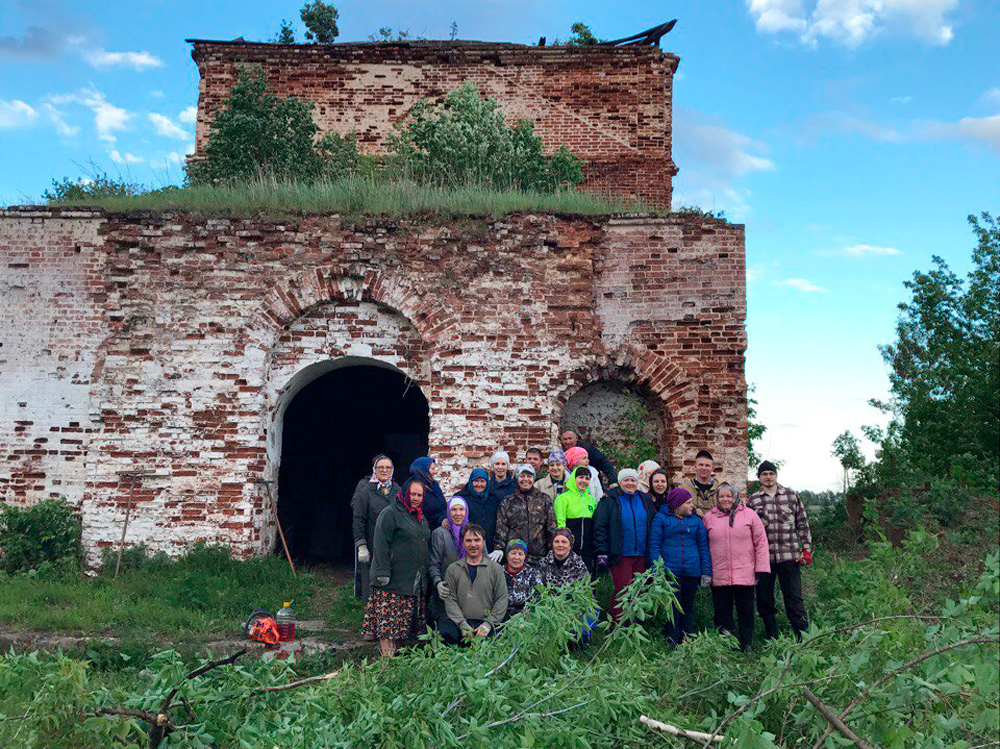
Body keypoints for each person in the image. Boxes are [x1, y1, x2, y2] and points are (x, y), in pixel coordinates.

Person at [362, 480, 431, 657]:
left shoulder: (420, 517)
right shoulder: (391, 513)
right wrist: (383, 572)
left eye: (419, 495)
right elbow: (381, 544)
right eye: (413, 494)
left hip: (410, 583)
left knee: (401, 628)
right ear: (405, 493)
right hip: (391, 581)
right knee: (388, 626)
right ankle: (387, 662)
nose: (415, 498)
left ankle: (396, 666)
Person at [748, 461, 812, 640]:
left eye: (771, 473)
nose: (768, 477)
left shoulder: (791, 496)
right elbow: (748, 530)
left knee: (794, 598)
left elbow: (802, 523)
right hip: (764, 558)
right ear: (759, 477)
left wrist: (806, 549)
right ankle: (772, 636)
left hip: (789, 556)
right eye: (764, 474)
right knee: (764, 599)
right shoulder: (753, 500)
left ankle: (802, 635)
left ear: (776, 475)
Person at [703, 483, 769, 652]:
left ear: (735, 497)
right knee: (722, 612)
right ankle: (726, 645)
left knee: (745, 611)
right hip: (719, 574)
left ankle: (746, 643)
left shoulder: (749, 516)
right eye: (722, 496)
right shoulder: (709, 517)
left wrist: (761, 568)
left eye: (729, 496)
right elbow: (703, 545)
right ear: (717, 499)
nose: (725, 499)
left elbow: (761, 543)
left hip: (745, 573)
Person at [649, 487, 712, 645]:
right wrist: (658, 570)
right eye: (688, 503)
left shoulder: (696, 521)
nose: (692, 505)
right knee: (672, 608)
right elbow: (655, 546)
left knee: (688, 607)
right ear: (677, 505)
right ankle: (672, 641)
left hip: (692, 571)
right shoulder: (661, 519)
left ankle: (686, 639)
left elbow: (704, 547)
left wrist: (706, 572)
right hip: (670, 572)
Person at [593, 468, 656, 622]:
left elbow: (653, 523)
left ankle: (635, 623)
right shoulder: (609, 501)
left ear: (637, 482)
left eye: (633, 480)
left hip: (642, 554)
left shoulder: (644, 499)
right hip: (621, 554)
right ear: (620, 483)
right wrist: (602, 552)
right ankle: (618, 624)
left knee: (638, 591)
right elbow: (600, 527)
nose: (629, 483)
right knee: (622, 591)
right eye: (626, 480)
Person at [441, 523, 508, 644]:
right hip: (460, 623)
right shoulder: (453, 569)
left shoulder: (495, 569)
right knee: (444, 633)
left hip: (487, 623)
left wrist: (488, 624)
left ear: (483, 543)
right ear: (463, 543)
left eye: (477, 540)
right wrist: (462, 624)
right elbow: (450, 599)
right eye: (468, 540)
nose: (473, 544)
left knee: (501, 637)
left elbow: (502, 599)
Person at [351, 454, 400, 603]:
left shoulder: (398, 490)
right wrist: (361, 546)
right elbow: (358, 520)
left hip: (393, 546)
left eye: (388, 467)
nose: (384, 470)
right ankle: (369, 622)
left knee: (392, 587)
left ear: (392, 470)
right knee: (371, 587)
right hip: (372, 546)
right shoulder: (366, 491)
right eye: (381, 467)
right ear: (374, 469)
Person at [539, 528, 597, 642]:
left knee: (579, 631)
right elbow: (540, 591)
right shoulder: (543, 563)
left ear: (570, 545)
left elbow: (585, 594)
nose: (560, 545)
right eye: (557, 542)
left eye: (564, 542)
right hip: (553, 607)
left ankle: (582, 644)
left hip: (576, 606)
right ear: (552, 544)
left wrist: (572, 613)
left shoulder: (578, 564)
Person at [494, 464, 557, 564]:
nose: (526, 479)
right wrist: (499, 548)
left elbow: (551, 527)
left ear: (533, 478)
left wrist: (552, 551)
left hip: (539, 557)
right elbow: (501, 527)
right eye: (522, 476)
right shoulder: (507, 501)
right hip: (515, 557)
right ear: (517, 478)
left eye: (529, 476)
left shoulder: (544, 500)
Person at [428, 496, 468, 629]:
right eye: (454, 510)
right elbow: (434, 564)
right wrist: (438, 582)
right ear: (448, 513)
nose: (458, 514)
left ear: (466, 511)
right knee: (448, 630)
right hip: (446, 592)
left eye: (461, 509)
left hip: (468, 591)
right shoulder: (440, 533)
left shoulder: (472, 532)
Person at [553, 466, 598, 575]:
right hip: (569, 550)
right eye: (581, 477)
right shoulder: (563, 499)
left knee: (587, 582)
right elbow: (560, 524)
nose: (584, 481)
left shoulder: (591, 500)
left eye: (587, 478)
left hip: (587, 551)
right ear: (574, 478)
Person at [455, 467, 501, 552]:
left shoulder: (494, 498)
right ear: (471, 481)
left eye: (482, 481)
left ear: (487, 482)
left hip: (490, 544)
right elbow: (452, 512)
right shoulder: (462, 497)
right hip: (469, 544)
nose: (479, 484)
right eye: (476, 481)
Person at [484, 451, 516, 556]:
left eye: (503, 464)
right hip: (490, 529)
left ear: (508, 466)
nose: (500, 467)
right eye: (497, 464)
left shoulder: (514, 487)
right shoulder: (487, 486)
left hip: (509, 530)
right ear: (493, 466)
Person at [503, 538, 543, 618]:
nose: (516, 557)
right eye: (513, 553)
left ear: (525, 556)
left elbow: (538, 600)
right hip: (501, 618)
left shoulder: (533, 574)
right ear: (507, 555)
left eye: (520, 554)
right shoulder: (498, 572)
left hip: (525, 618)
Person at [681, 449, 728, 517]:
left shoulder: (722, 488)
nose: (704, 468)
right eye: (701, 465)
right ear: (695, 466)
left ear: (713, 467)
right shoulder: (684, 488)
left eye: (707, 465)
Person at [409, 457, 448, 529]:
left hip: (438, 527)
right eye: (432, 469)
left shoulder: (434, 485)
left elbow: (443, 507)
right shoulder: (411, 486)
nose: (435, 472)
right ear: (423, 470)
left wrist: (443, 519)